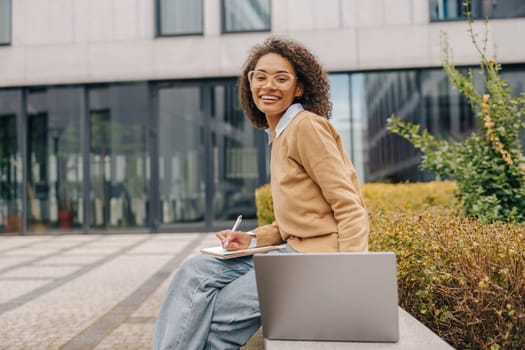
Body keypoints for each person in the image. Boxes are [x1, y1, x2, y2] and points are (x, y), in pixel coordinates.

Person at [153, 36, 369, 350]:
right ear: (250, 82)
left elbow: (350, 206)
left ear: (299, 88)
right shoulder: (280, 134)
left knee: (216, 316)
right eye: (261, 76)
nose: (269, 85)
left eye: (282, 78)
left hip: (315, 261)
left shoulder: (306, 127)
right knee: (194, 272)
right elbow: (299, 220)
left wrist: (348, 275)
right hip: (290, 253)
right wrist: (252, 239)